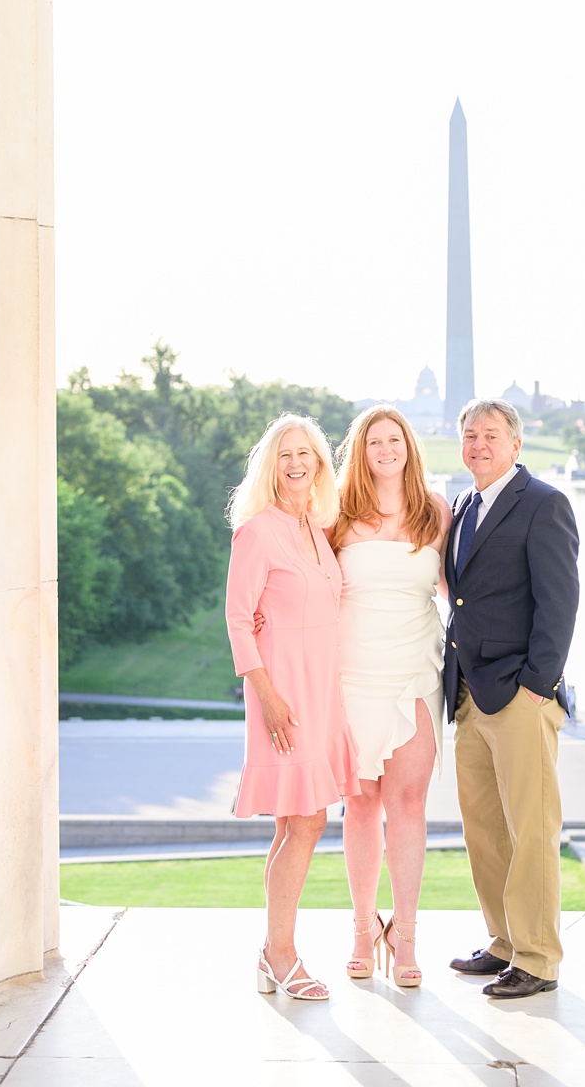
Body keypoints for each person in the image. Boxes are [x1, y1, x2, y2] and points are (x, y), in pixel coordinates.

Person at [442, 399, 580, 1000]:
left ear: (515, 444)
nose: (479, 444)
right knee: (484, 830)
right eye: (470, 435)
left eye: (491, 435)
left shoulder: (545, 505)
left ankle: (539, 958)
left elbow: (560, 604)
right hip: (470, 694)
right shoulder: (464, 505)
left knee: (532, 829)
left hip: (520, 695)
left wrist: (536, 686)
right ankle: (503, 943)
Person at [225, 414, 358, 1002]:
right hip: (284, 699)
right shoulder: (258, 532)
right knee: (307, 820)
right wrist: (270, 698)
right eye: (285, 455)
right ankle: (281, 953)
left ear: (320, 464)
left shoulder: (314, 527)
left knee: (295, 822)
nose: (297, 463)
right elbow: (237, 618)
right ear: (269, 466)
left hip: (321, 694)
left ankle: (269, 953)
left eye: (306, 453)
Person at [330, 404, 450, 991]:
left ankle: (405, 937)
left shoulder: (437, 514)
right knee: (359, 805)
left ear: (409, 447)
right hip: (353, 678)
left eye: (394, 439)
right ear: (361, 450)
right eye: (374, 440)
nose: (385, 449)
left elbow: (463, 597)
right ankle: (360, 929)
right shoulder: (337, 518)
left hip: (415, 675)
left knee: (407, 804)